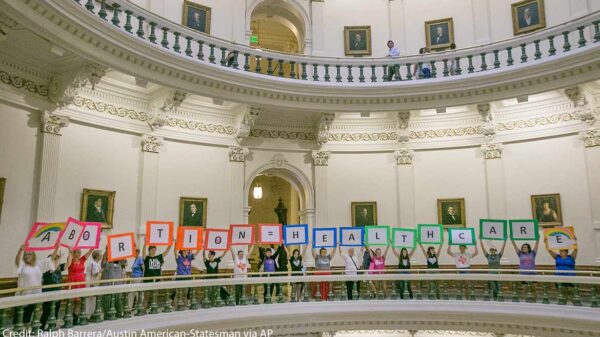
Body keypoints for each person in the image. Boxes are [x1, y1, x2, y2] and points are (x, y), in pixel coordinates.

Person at [15, 244, 56, 325]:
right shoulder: (23, 265)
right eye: (25, 254)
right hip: (24, 295)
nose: (27, 256)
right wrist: (20, 250)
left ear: (33, 255)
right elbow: (17, 261)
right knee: (22, 318)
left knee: (33, 316)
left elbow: (50, 259)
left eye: (29, 254)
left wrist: (57, 248)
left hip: (36, 294)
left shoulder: (38, 264)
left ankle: (29, 331)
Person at [66, 247, 94, 325]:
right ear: (74, 253)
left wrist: (92, 248)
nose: (79, 254)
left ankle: (75, 319)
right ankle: (68, 319)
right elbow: (68, 260)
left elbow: (89, 252)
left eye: (80, 252)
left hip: (81, 283)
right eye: (78, 252)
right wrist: (70, 252)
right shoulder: (70, 261)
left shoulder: (81, 260)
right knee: (70, 302)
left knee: (78, 302)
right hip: (73, 283)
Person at [40, 246, 64, 330]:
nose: (56, 260)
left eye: (57, 259)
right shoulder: (47, 269)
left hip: (57, 291)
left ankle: (53, 325)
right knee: (46, 310)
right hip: (48, 292)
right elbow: (52, 266)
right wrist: (57, 249)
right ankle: (41, 327)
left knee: (56, 309)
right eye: (55, 259)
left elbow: (68, 263)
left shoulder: (58, 268)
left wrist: (70, 252)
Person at [142, 242, 172, 309]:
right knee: (146, 296)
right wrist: (145, 244)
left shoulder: (158, 257)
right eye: (152, 250)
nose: (153, 251)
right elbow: (143, 253)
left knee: (154, 296)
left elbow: (166, 251)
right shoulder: (147, 258)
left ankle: (154, 309)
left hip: (156, 280)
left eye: (154, 250)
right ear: (149, 250)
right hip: (147, 280)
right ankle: (143, 310)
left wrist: (170, 244)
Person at [84, 250, 102, 318]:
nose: (101, 255)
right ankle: (88, 315)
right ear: (97, 256)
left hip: (95, 283)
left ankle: (93, 313)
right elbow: (95, 273)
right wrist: (102, 271)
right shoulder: (92, 263)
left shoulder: (96, 263)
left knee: (94, 300)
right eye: (100, 254)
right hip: (91, 282)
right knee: (90, 300)